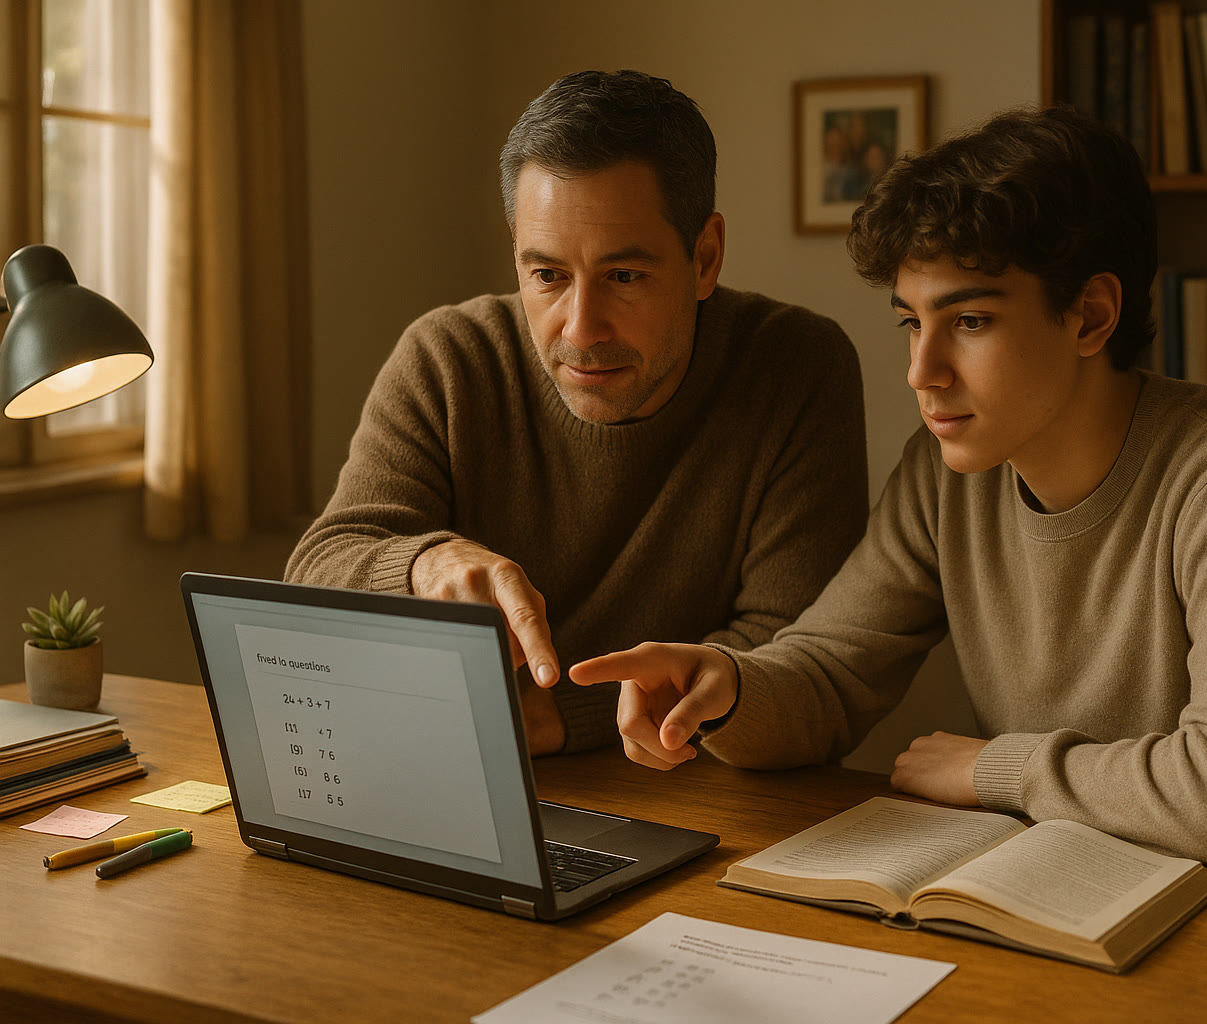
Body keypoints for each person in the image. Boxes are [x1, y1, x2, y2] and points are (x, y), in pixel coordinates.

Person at [568, 105, 1207, 867]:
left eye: (971, 321)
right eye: (912, 322)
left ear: (1091, 316)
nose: (923, 371)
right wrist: (727, 688)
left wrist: (998, 770)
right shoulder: (945, 472)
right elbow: (831, 674)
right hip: (1058, 893)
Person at [286, 70, 869, 756]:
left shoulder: (797, 365)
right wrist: (423, 563)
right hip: (471, 771)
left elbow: (790, 651)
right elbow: (320, 566)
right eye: (548, 276)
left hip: (703, 788)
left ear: (704, 258)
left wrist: (553, 717)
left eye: (624, 277)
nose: (581, 329)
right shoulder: (448, 358)